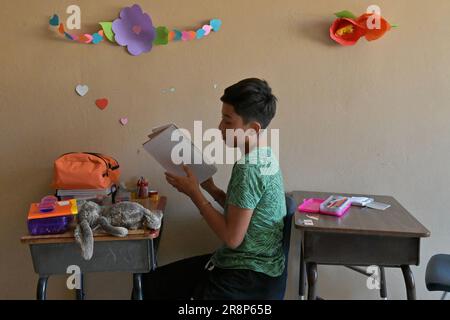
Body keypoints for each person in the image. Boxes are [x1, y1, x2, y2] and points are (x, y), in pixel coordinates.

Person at [142, 78, 287, 300]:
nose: (220, 127)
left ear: (253, 128)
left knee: (146, 287)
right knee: (155, 283)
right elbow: (248, 211)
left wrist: (195, 193)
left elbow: (232, 238)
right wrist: (211, 188)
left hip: (246, 275)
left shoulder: (248, 168)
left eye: (228, 121)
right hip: (265, 270)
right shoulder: (266, 156)